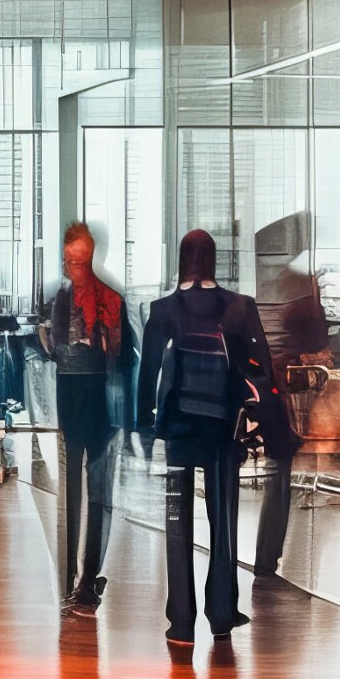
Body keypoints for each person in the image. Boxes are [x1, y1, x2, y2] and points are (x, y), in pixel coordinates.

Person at [139, 228, 270, 650]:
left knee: (177, 525)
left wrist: (143, 427)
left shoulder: (163, 309)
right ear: (215, 261)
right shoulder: (239, 307)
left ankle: (180, 621)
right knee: (223, 521)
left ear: (182, 260)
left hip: (178, 430)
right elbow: (261, 369)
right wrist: (258, 421)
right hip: (222, 430)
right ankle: (221, 614)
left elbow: (147, 375)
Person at [36, 223, 128, 619]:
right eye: (69, 260)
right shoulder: (58, 297)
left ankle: (87, 580)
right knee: (75, 490)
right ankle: (75, 578)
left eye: (80, 260)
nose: (74, 267)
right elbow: (47, 347)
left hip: (97, 399)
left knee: (97, 491)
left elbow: (120, 356)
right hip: (71, 396)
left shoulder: (110, 299)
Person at [250, 225, 327, 580]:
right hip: (291, 391)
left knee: (279, 474)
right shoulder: (298, 288)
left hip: (272, 389)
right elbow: (317, 343)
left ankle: (271, 557)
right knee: (281, 474)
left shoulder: (269, 287)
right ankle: (273, 557)